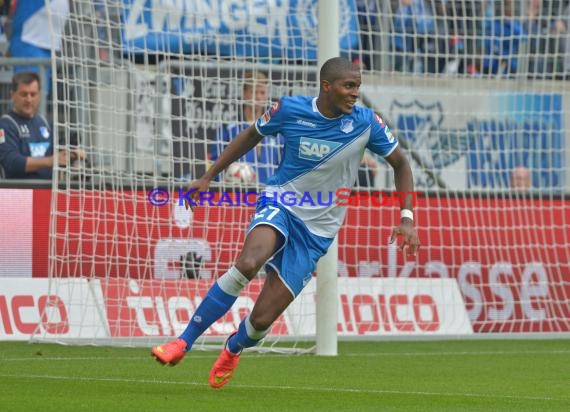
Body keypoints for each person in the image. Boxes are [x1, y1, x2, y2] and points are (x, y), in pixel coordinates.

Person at [151, 57, 420, 388]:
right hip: (282, 202)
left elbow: (402, 164)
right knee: (249, 262)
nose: (355, 94)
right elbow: (251, 135)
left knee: (261, 320)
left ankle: (233, 348)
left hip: (318, 231)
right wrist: (208, 176)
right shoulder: (290, 110)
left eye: (358, 87)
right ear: (327, 86)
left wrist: (406, 218)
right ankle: (183, 341)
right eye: (349, 86)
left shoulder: (367, 123)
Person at [0, 71, 83, 179]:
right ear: (12, 95)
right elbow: (12, 163)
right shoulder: (5, 124)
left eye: (33, 94)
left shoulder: (43, 122)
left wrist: (73, 154)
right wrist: (51, 161)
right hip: (20, 193)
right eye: (24, 94)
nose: (29, 99)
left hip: (46, 191)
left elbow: (55, 153)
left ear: (39, 95)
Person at [211, 70, 283, 185]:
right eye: (254, 92)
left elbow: (283, 165)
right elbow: (215, 164)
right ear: (245, 94)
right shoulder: (228, 129)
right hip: (236, 194)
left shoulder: (276, 131)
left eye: (262, 93)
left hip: (267, 195)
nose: (258, 97)